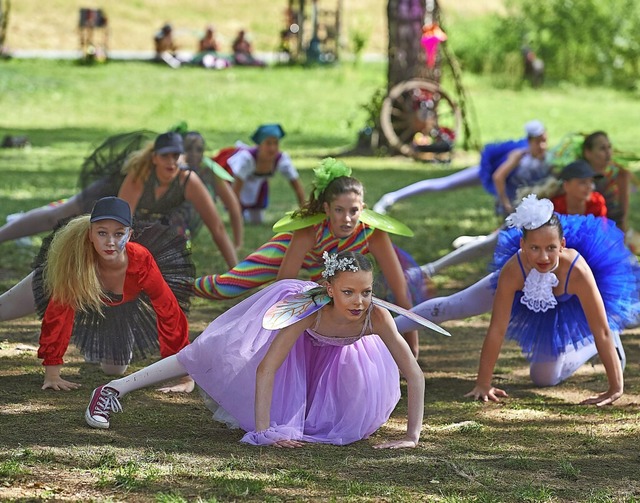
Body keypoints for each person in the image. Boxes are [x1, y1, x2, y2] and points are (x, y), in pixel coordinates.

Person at [85, 251, 425, 449]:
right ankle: (116, 387)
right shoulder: (308, 310)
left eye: (366, 291)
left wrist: (412, 435)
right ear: (329, 288)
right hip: (293, 319)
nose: (359, 301)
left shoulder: (375, 316)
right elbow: (268, 367)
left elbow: (413, 373)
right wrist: (263, 432)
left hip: (336, 355)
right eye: (349, 292)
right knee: (210, 352)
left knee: (318, 420)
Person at [396, 196, 639, 401]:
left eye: (551, 248)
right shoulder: (514, 269)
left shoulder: (577, 270)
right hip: (520, 285)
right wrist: (483, 383)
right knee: (453, 305)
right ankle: (382, 326)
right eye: (534, 248)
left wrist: (615, 387)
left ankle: (591, 346)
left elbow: (602, 331)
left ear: (562, 245)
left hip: (569, 302)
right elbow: (496, 330)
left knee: (544, 378)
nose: (543, 256)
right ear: (522, 245)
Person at [194, 158, 424, 356]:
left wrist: (412, 350)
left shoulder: (371, 234)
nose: (346, 219)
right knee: (226, 288)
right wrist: (272, 343)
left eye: (353, 211)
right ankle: (177, 285)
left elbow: (400, 290)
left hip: (330, 271)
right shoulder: (310, 231)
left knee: (340, 302)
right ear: (326, 208)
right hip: (290, 251)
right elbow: (282, 288)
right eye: (338, 210)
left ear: (362, 208)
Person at [31, 197, 195, 392]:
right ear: (90, 234)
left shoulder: (141, 261)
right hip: (53, 280)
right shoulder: (75, 259)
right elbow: (58, 314)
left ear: (130, 234)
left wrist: (184, 375)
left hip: (113, 308)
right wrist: (52, 373)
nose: (110, 242)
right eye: (102, 233)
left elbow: (169, 311)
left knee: (114, 370)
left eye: (119, 234)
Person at [117, 131, 238, 268]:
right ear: (154, 158)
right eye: (164, 156)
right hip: (139, 227)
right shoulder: (140, 175)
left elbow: (217, 228)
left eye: (175, 155)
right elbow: (121, 221)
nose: (171, 162)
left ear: (183, 157)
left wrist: (236, 272)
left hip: (171, 228)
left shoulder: (188, 180)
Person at [215, 124, 305, 224]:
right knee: (239, 217)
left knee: (257, 220)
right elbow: (236, 190)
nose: (272, 148)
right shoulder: (247, 159)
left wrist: (304, 214)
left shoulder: (282, 160)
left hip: (259, 186)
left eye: (276, 143)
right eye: (268, 143)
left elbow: (297, 187)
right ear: (260, 145)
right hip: (238, 184)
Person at [182, 131, 243, 250]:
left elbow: (233, 206)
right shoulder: (172, 170)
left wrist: (238, 243)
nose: (193, 154)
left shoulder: (209, 172)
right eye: (188, 149)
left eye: (199, 150)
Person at [581, 131, 631, 231]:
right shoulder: (579, 176)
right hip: (588, 229)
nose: (608, 152)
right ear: (588, 153)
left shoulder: (619, 174)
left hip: (613, 227)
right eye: (602, 148)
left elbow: (623, 211)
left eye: (609, 147)